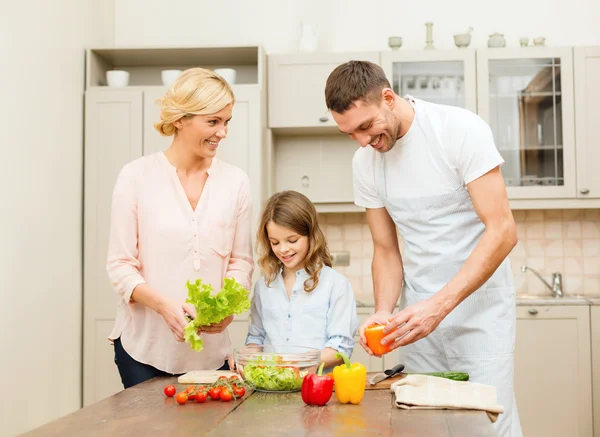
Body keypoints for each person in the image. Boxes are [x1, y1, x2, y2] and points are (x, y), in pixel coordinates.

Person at [324, 60, 522, 437]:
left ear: (388, 97)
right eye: (350, 133)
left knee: (484, 425)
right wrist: (383, 311)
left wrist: (440, 305)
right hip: (417, 322)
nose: (363, 141)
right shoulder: (365, 162)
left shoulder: (458, 130)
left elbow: (502, 230)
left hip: (480, 317)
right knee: (425, 425)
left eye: (366, 126)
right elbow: (385, 249)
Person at [106, 67, 254, 388]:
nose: (222, 132)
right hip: (143, 350)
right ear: (180, 120)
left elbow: (241, 263)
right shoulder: (136, 177)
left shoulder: (236, 182)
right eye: (213, 121)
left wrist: (227, 309)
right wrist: (163, 306)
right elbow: (119, 266)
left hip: (211, 355)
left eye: (226, 122)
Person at [245, 190, 358, 369]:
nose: (283, 249)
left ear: (310, 235)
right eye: (275, 242)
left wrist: (295, 363)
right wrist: (247, 358)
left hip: (317, 387)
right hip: (272, 387)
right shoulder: (263, 287)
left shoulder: (336, 284)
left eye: (292, 240)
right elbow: (256, 339)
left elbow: (340, 346)